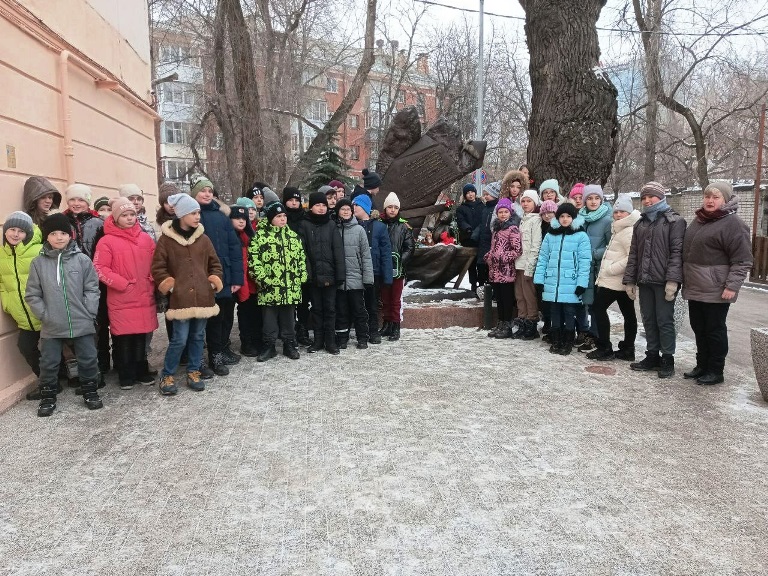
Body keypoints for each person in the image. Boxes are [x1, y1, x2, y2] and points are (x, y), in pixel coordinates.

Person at [26, 213, 103, 416]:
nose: (59, 237)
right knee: (48, 362)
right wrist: (44, 315)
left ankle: (90, 391)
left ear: (70, 235)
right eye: (53, 233)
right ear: (47, 237)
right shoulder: (38, 263)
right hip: (52, 323)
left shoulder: (82, 260)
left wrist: (89, 311)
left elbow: (92, 289)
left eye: (63, 233)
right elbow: (33, 294)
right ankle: (48, 397)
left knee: (88, 359)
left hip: (81, 321)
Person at [681, 182, 753, 385]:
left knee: (714, 330)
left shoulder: (733, 224)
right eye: (707, 196)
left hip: (717, 288)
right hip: (695, 286)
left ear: (726, 200)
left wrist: (732, 286)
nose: (710, 201)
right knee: (699, 328)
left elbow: (742, 260)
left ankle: (715, 370)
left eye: (716, 197)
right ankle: (702, 365)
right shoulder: (699, 220)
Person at [152, 194, 223, 395]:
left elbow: (215, 264)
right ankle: (167, 375)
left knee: (198, 336)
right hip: (180, 300)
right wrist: (171, 287)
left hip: (203, 298)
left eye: (198, 212)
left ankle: (193, 371)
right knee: (179, 339)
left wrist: (212, 282)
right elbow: (158, 268)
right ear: (182, 214)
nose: (198, 216)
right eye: (193, 213)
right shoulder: (166, 240)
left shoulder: (204, 239)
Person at [93, 197, 158, 389]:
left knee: (141, 337)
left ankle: (141, 370)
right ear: (115, 218)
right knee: (124, 338)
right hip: (122, 297)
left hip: (144, 295)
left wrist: (153, 277)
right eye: (124, 215)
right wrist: (121, 284)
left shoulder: (145, 239)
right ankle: (126, 373)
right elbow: (99, 268)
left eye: (132, 214)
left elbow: (157, 262)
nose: (129, 218)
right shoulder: (106, 241)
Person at [623, 181, 686, 378]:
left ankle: (667, 358)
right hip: (645, 280)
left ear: (661, 197)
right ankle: (652, 355)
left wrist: (673, 281)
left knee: (664, 320)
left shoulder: (674, 221)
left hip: (663, 281)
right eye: (644, 197)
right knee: (648, 319)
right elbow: (634, 254)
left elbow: (677, 253)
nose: (647, 200)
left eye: (651, 196)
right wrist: (630, 280)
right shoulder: (640, 223)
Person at [190, 176, 243, 376]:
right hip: (198, 277)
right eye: (202, 190)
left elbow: (234, 248)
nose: (207, 194)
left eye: (210, 191)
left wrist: (236, 279)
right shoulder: (189, 217)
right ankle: (197, 361)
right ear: (194, 193)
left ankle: (216, 355)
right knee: (198, 321)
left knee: (219, 319)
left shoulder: (221, 217)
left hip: (223, 276)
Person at [249, 201, 307, 362]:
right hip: (269, 287)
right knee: (269, 319)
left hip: (290, 287)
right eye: (278, 216)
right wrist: (263, 280)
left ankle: (289, 344)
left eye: (284, 216)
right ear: (270, 218)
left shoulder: (293, 237)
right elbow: (254, 261)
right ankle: (269, 346)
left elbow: (301, 258)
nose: (283, 219)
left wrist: (300, 276)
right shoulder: (260, 237)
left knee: (289, 318)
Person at [587, 194, 641, 361]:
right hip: (620, 281)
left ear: (629, 213)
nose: (618, 215)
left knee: (598, 308)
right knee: (628, 314)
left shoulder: (629, 230)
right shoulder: (619, 228)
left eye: (622, 212)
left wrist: (611, 269)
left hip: (615, 280)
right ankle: (628, 349)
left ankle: (605, 347)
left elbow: (632, 257)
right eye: (616, 212)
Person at [533, 203, 591, 355]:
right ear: (557, 218)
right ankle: (556, 340)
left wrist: (581, 284)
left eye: (568, 216)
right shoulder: (550, 235)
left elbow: (584, 262)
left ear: (574, 218)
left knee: (569, 312)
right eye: (562, 216)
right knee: (555, 312)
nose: (565, 219)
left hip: (571, 282)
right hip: (552, 282)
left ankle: (568, 341)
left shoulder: (581, 236)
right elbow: (543, 258)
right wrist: (539, 279)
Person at [1, 212, 44, 400]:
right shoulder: (2, 254)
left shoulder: (39, 251)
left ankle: (89, 379)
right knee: (26, 347)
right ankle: (49, 381)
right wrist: (7, 302)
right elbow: (2, 282)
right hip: (23, 314)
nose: (16, 234)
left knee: (67, 344)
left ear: (28, 233)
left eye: (21, 231)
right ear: (5, 231)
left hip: (45, 311)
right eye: (12, 229)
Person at [297, 191, 346, 355]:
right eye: (317, 205)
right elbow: (303, 252)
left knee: (330, 309)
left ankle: (330, 341)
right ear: (311, 207)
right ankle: (318, 340)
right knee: (317, 309)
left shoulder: (331, 224)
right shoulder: (304, 225)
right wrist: (308, 275)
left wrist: (340, 275)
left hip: (330, 275)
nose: (321, 208)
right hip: (313, 277)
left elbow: (338, 250)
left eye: (323, 205)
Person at [576, 184, 613, 353]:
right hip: (584, 269)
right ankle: (588, 333)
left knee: (597, 305)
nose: (593, 201)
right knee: (586, 303)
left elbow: (611, 246)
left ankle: (597, 336)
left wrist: (593, 253)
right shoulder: (581, 218)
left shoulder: (607, 220)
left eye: (597, 198)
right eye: (589, 198)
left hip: (598, 268)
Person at [352, 194, 392, 343]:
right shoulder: (352, 225)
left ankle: (373, 330)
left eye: (357, 205)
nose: (353, 207)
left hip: (374, 271)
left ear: (365, 207)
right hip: (356, 271)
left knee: (372, 303)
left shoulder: (379, 227)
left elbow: (386, 252)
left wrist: (387, 276)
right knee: (358, 304)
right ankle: (361, 332)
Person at [334, 198, 374, 350]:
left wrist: (368, 278)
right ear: (338, 211)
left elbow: (365, 256)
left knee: (359, 310)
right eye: (342, 209)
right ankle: (342, 339)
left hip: (356, 279)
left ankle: (362, 337)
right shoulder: (334, 229)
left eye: (348, 209)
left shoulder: (359, 230)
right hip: (339, 280)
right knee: (341, 311)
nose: (345, 212)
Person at [484, 198, 523, 338]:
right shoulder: (496, 229)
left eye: (505, 212)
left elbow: (517, 250)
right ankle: (500, 323)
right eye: (500, 212)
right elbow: (494, 248)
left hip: (506, 271)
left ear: (510, 213)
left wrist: (502, 258)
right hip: (495, 270)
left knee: (506, 299)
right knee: (499, 299)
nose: (503, 214)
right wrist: (489, 256)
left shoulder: (513, 229)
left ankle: (507, 325)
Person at [379, 192, 415, 341]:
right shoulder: (379, 224)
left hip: (397, 269)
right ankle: (387, 323)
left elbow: (410, 247)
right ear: (385, 208)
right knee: (385, 298)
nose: (392, 210)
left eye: (395, 207)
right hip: (382, 268)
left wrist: (400, 261)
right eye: (390, 207)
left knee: (395, 299)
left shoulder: (404, 226)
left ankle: (395, 326)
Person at [229, 204, 262, 357]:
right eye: (237, 218)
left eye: (243, 218)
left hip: (251, 281)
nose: (241, 221)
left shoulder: (250, 235)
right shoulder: (229, 236)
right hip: (236, 282)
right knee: (244, 313)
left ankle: (256, 340)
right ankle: (246, 342)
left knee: (254, 312)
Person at [512, 190, 542, 340]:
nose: (525, 204)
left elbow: (535, 245)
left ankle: (531, 323)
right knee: (519, 295)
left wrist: (530, 266)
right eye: (523, 201)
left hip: (527, 265)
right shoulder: (522, 219)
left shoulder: (536, 220)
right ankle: (522, 320)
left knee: (529, 295)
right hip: (518, 263)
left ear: (535, 203)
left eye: (529, 201)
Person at [456, 183, 484, 292]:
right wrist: (467, 228)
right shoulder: (461, 208)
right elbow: (461, 221)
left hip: (480, 238)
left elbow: (484, 220)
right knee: (471, 264)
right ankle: (473, 284)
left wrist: (478, 230)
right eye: (468, 193)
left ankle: (482, 283)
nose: (470, 194)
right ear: (465, 195)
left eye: (472, 192)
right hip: (468, 239)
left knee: (481, 263)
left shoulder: (482, 205)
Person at [537, 200, 558, 341]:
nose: (547, 215)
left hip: (554, 266)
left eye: (550, 212)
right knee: (542, 296)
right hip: (541, 265)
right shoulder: (540, 227)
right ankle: (547, 321)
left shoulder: (557, 228)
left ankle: (554, 326)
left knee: (552, 297)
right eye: (544, 213)